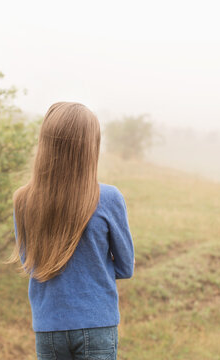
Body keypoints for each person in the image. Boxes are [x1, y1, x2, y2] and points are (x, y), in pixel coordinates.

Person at [7, 102, 135, 360]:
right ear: (90, 148)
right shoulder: (109, 198)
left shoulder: (23, 199)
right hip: (97, 323)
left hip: (48, 325)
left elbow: (30, 264)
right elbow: (125, 267)